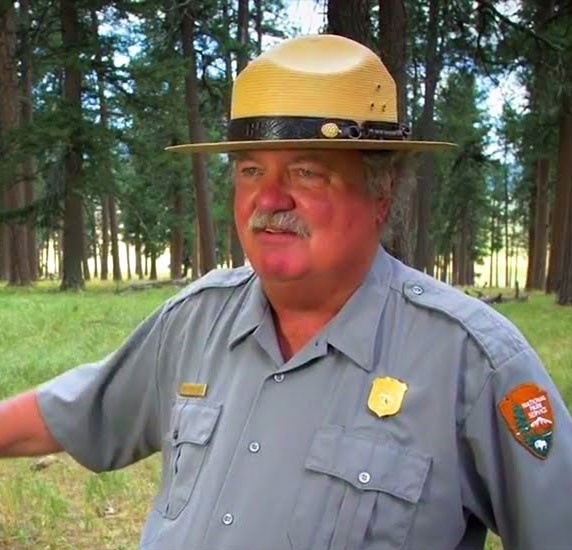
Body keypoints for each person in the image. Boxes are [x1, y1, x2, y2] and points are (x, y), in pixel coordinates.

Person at [1, 34, 571, 550]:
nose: (268, 200)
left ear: (382, 192)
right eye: (250, 171)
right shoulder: (197, 321)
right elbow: (77, 410)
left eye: (305, 172)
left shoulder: (472, 363)